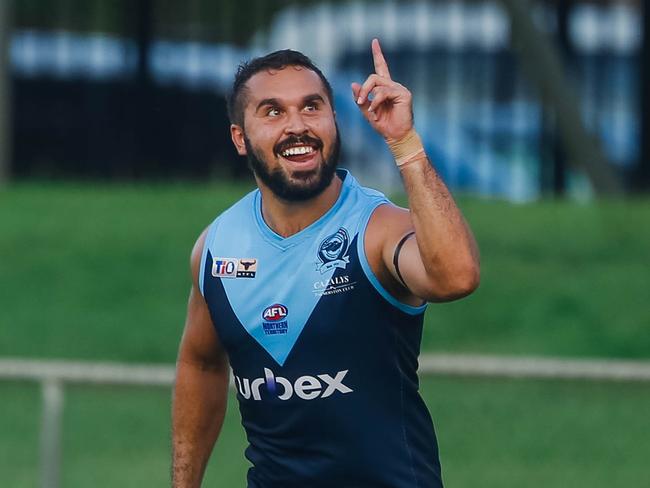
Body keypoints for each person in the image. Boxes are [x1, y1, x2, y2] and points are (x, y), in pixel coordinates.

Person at [172, 38, 479, 488]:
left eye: (312, 107)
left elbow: (457, 276)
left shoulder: (375, 229)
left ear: (334, 119)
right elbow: (200, 365)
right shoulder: (216, 249)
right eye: (273, 112)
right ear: (240, 137)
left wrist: (405, 144)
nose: (297, 126)